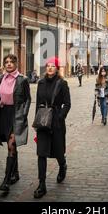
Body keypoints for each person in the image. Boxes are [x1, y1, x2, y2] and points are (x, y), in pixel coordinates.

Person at [0, 54, 31, 192]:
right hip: (3, 114)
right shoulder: (1, 78)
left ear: (16, 64)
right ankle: (16, 173)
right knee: (11, 146)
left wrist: (23, 114)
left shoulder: (22, 80)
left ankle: (6, 181)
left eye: (11, 62)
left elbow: (28, 99)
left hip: (16, 115)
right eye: (6, 62)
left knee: (11, 145)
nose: (8, 64)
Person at [34, 57, 71, 199]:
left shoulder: (62, 83)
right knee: (41, 153)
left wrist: (60, 116)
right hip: (43, 121)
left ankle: (62, 165)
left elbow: (67, 104)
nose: (50, 68)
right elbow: (38, 103)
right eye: (48, 66)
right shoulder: (41, 83)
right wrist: (36, 122)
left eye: (52, 66)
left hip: (56, 122)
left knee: (58, 150)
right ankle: (41, 184)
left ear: (57, 68)